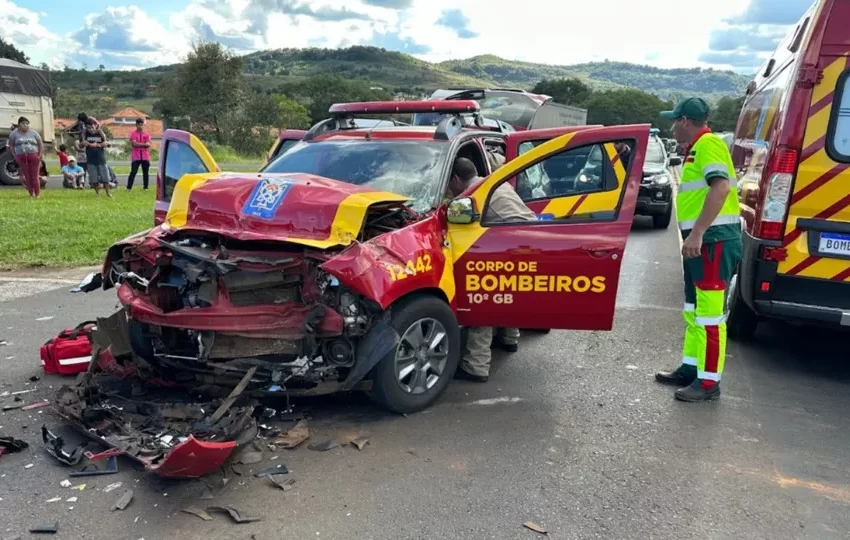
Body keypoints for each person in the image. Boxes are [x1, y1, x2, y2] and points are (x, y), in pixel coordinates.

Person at [655, 97, 742, 402]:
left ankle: (708, 383)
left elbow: (720, 188)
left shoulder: (709, 145)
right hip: (703, 242)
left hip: (713, 241)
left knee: (709, 316)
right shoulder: (696, 148)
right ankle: (691, 368)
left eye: (674, 121)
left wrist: (699, 232)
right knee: (693, 310)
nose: (672, 127)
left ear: (685, 122)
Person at [448, 156, 537, 383]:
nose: (450, 188)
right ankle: (510, 337)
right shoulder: (495, 182)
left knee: (483, 301)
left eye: (450, 184)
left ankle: (475, 366)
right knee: (506, 295)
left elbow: (454, 225)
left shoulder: (472, 195)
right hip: (532, 243)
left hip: (511, 245)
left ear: (456, 179)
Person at [7, 116, 44, 198]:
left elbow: (40, 144)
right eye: (23, 123)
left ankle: (37, 194)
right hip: (21, 157)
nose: (25, 125)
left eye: (27, 123)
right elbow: (11, 145)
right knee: (27, 177)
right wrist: (14, 155)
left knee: (34, 176)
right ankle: (31, 193)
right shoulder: (14, 133)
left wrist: (40, 154)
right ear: (19, 125)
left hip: (34, 156)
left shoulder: (34, 133)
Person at [83, 118, 112, 197]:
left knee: (105, 178)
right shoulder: (85, 134)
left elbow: (108, 143)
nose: (91, 130)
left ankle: (108, 193)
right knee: (94, 178)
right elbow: (80, 144)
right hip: (90, 159)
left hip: (101, 159)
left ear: (95, 126)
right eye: (89, 128)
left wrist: (104, 144)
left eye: (92, 127)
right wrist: (85, 143)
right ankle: (97, 193)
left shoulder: (100, 132)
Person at [127, 117, 152, 190]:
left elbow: (148, 144)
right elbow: (134, 144)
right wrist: (144, 144)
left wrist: (139, 144)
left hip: (145, 156)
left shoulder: (146, 134)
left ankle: (145, 187)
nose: (140, 126)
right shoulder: (133, 134)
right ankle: (129, 187)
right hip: (136, 157)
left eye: (142, 124)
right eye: (139, 124)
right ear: (136, 125)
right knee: (133, 172)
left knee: (145, 173)